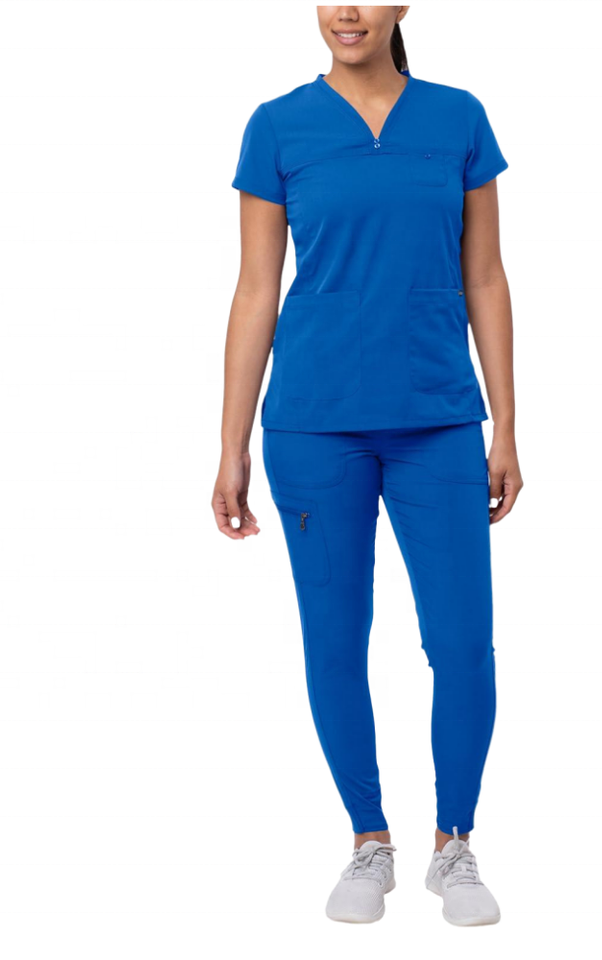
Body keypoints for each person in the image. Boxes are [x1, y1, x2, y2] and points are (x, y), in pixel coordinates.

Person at [213, 6, 523, 926]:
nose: (346, 9)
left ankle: (454, 844)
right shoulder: (278, 126)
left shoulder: (458, 117)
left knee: (461, 643)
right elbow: (256, 289)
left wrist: (506, 423)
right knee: (335, 638)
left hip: (438, 420)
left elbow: (486, 276)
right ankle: (368, 839)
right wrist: (229, 444)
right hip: (314, 426)